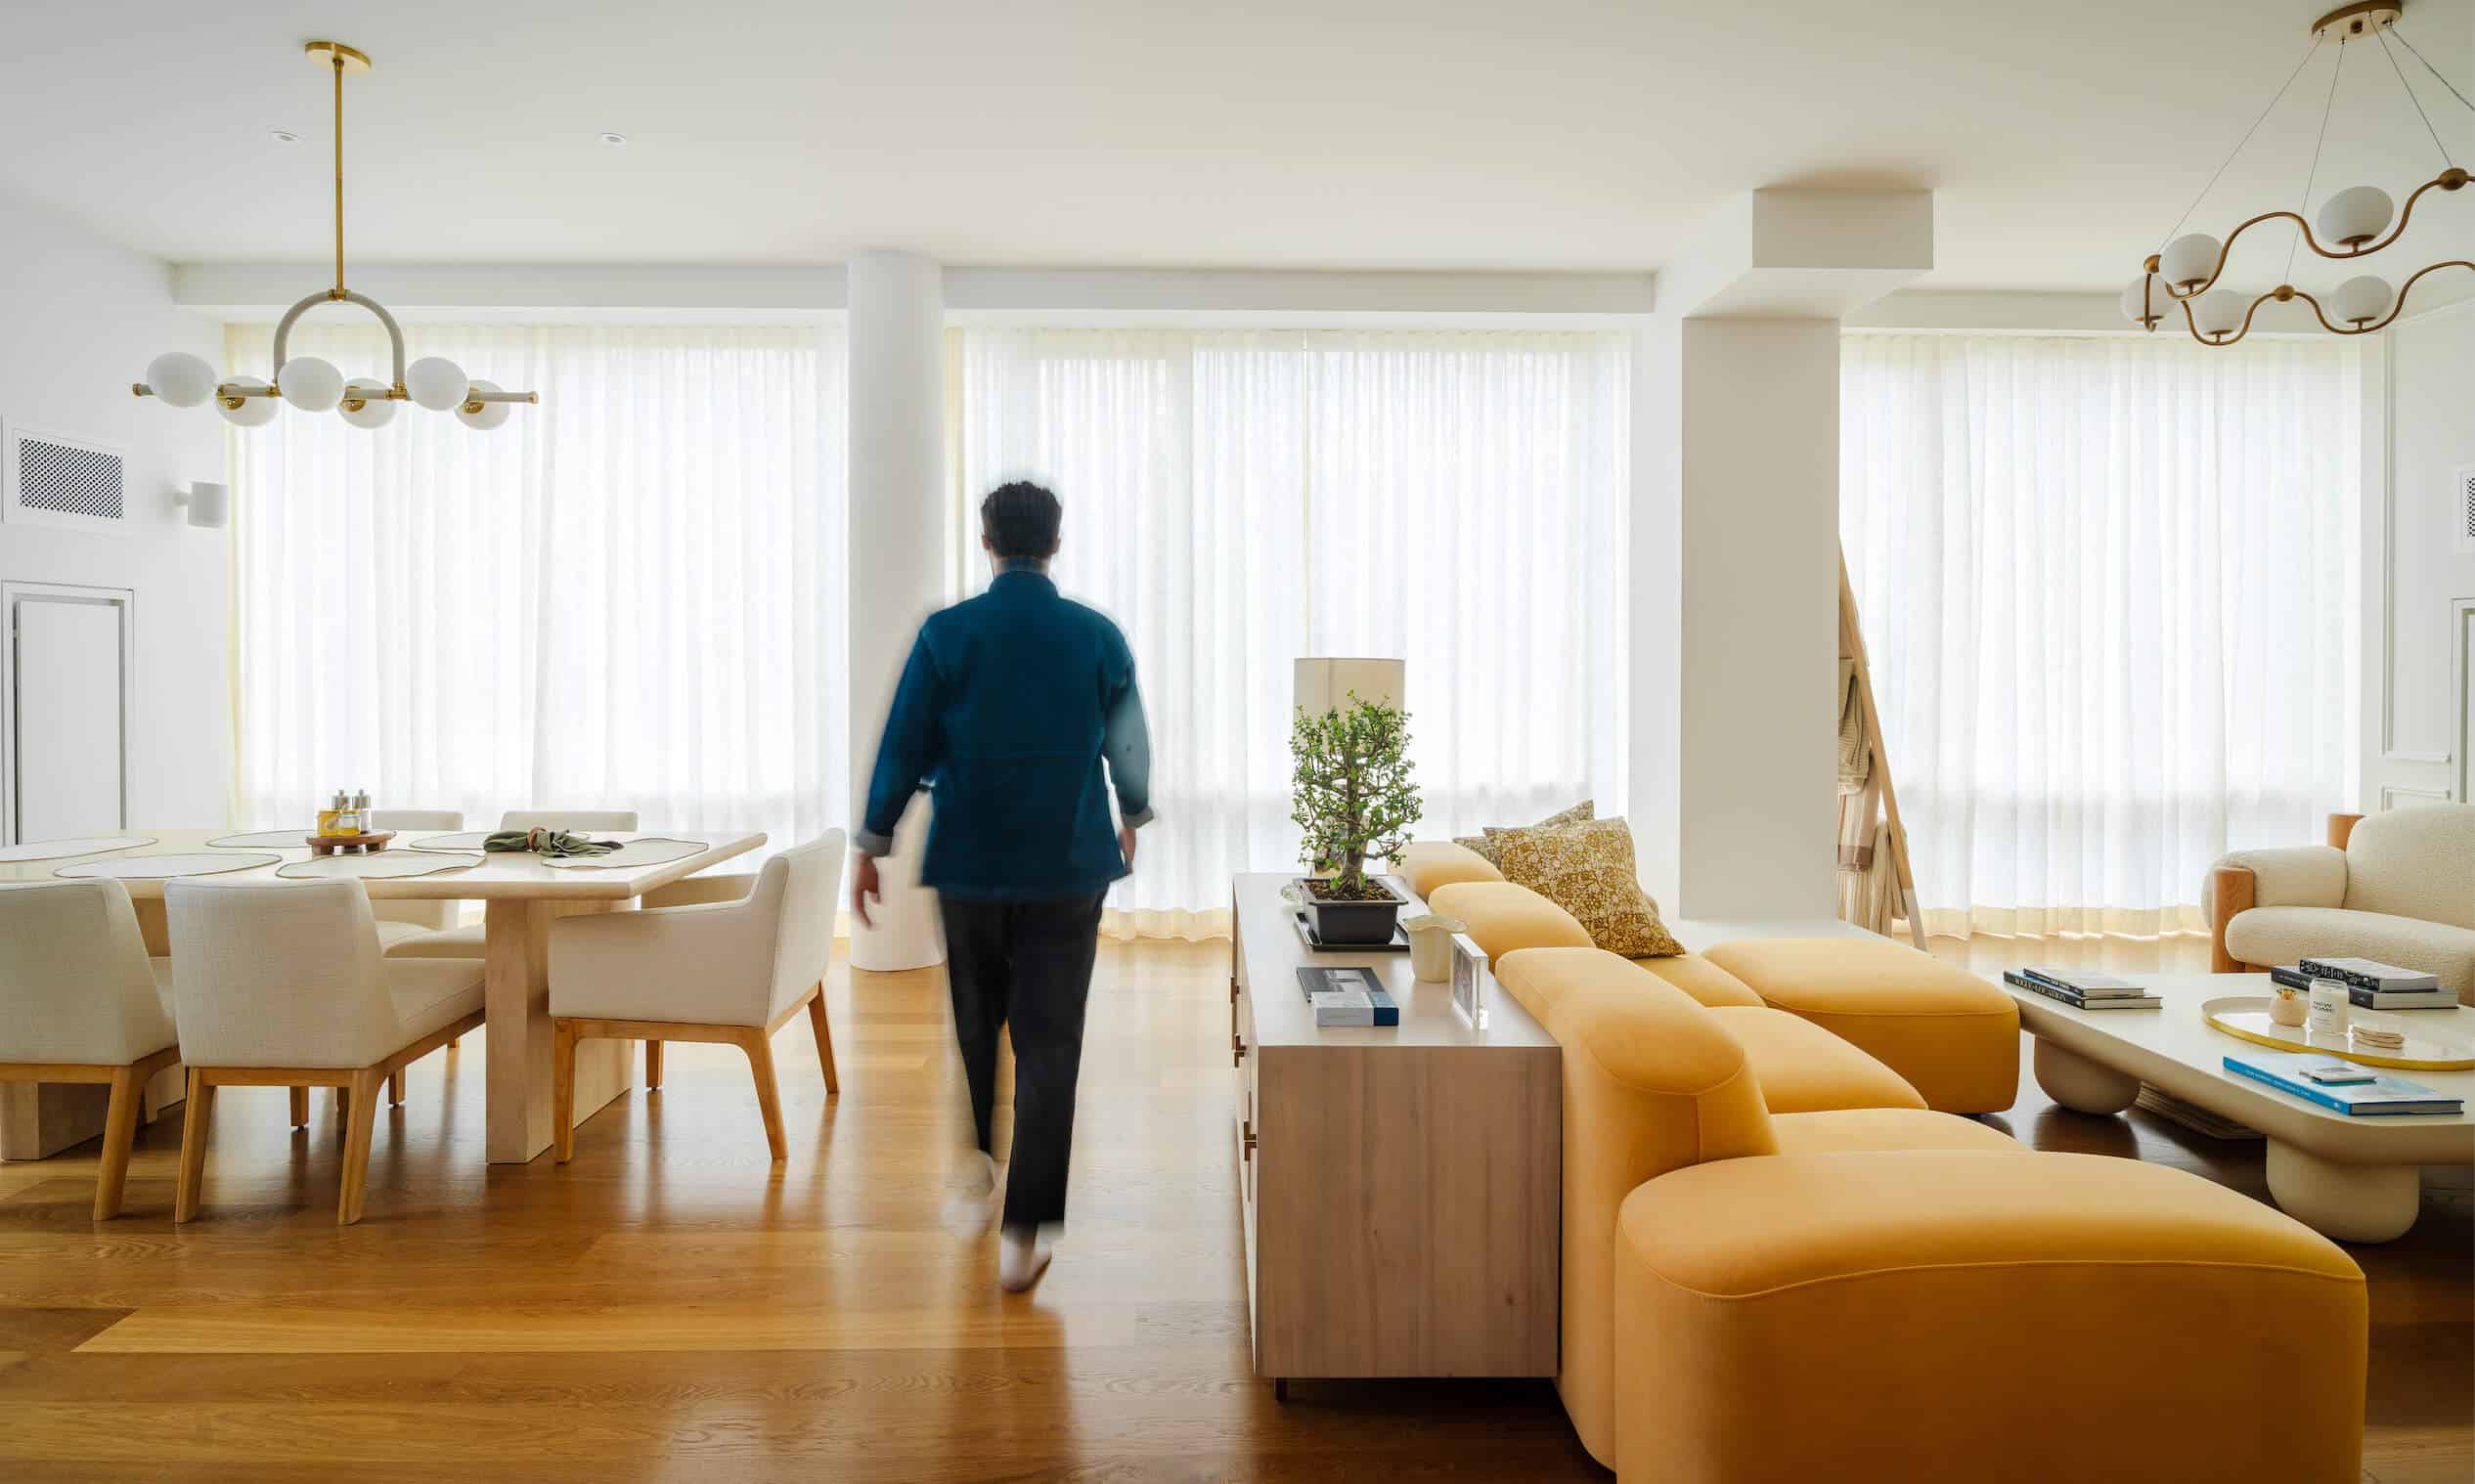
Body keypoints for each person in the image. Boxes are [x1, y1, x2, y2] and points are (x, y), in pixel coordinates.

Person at [851, 480, 1152, 1293]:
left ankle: (977, 1165)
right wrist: (1132, 810)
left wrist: (872, 842)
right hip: (1067, 863)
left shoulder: (948, 633)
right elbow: (1127, 738)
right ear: (1054, 542)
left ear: (987, 542)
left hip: (972, 862)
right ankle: (1024, 1235)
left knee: (976, 1020)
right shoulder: (1095, 634)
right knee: (1052, 1045)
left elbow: (903, 742)